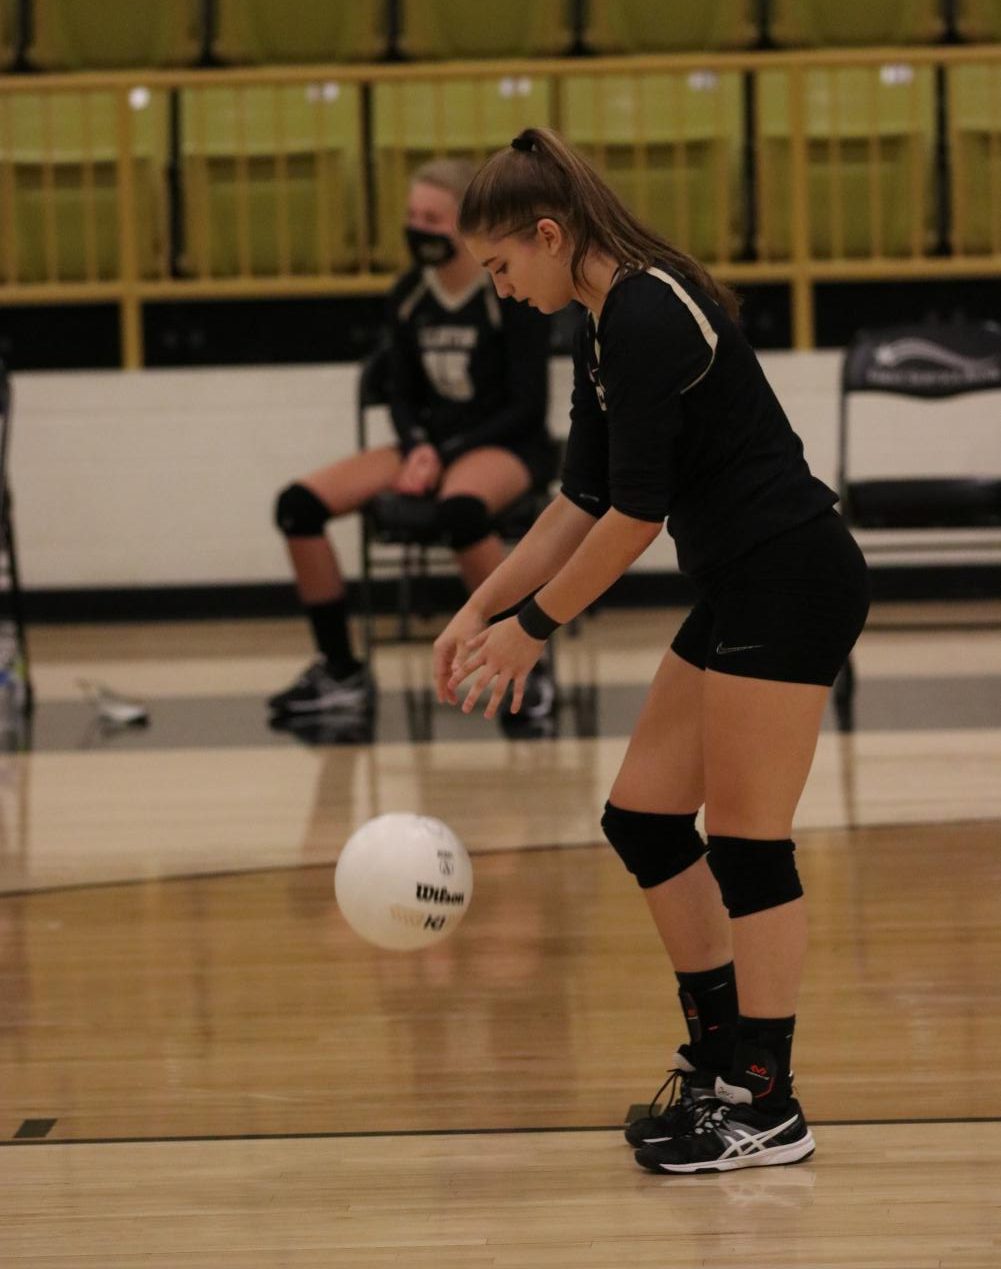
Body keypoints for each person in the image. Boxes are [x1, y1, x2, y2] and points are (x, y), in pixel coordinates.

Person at [433, 127, 870, 1174]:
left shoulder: (643, 311)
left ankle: (765, 1103)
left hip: (788, 573)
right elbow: (576, 500)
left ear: (548, 234)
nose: (499, 290)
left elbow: (632, 517)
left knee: (748, 839)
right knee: (640, 817)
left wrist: (530, 632)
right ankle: (721, 1065)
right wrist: (477, 609)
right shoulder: (597, 321)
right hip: (739, 580)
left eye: (501, 267)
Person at [269, 157, 556, 726]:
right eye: (412, 215)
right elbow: (400, 391)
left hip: (507, 443)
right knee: (296, 506)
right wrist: (418, 444)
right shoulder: (407, 295)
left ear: (466, 224)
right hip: (429, 444)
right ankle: (341, 671)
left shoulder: (508, 287)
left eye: (433, 216)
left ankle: (526, 667)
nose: (419, 227)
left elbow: (527, 405)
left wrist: (442, 456)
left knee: (460, 513)